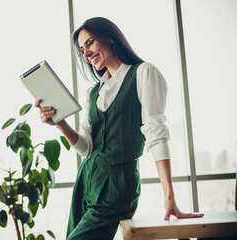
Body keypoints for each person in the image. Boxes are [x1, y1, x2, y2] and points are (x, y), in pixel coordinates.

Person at [35, 17, 203, 240]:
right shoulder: (94, 92)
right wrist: (60, 123)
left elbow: (156, 134)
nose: (85, 54)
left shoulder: (144, 73)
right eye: (81, 50)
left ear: (110, 38)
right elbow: (87, 148)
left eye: (90, 43)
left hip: (118, 186)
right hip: (86, 180)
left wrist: (169, 196)